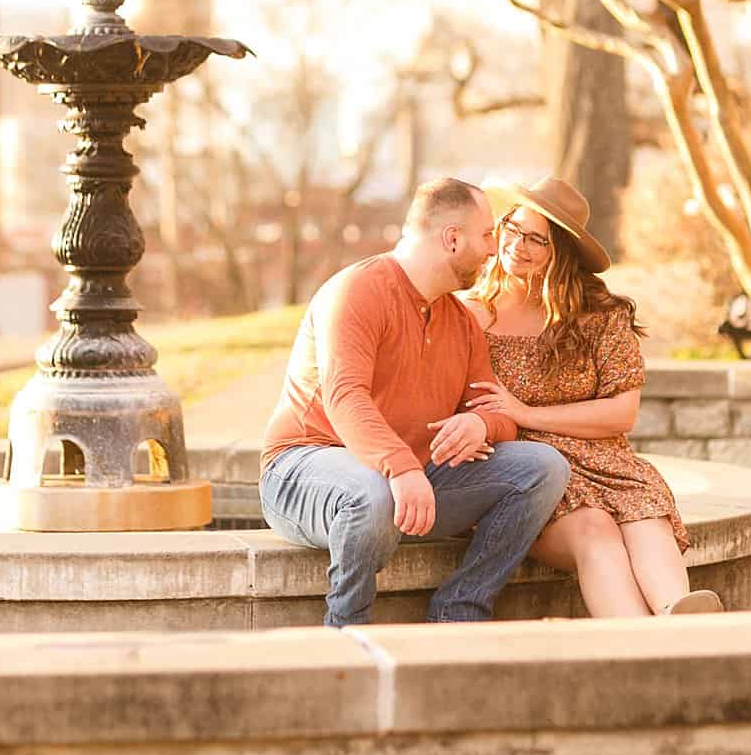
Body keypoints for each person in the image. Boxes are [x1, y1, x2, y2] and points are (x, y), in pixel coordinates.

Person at [259, 177, 570, 627]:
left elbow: (496, 412)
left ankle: (458, 611)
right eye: (486, 235)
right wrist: (401, 467)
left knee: (543, 468)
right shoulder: (356, 291)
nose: (491, 250)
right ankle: (346, 629)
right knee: (371, 492)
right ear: (452, 239)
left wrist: (481, 426)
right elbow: (345, 396)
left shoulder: (460, 321)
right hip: (305, 469)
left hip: (409, 481)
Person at [461, 177, 723, 618]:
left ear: (559, 253)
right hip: (533, 473)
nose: (517, 245)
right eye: (512, 228)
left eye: (535, 240)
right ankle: (649, 645)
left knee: (644, 511)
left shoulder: (600, 315)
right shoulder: (471, 314)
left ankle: (680, 616)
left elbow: (622, 413)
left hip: (610, 466)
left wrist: (526, 411)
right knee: (596, 528)